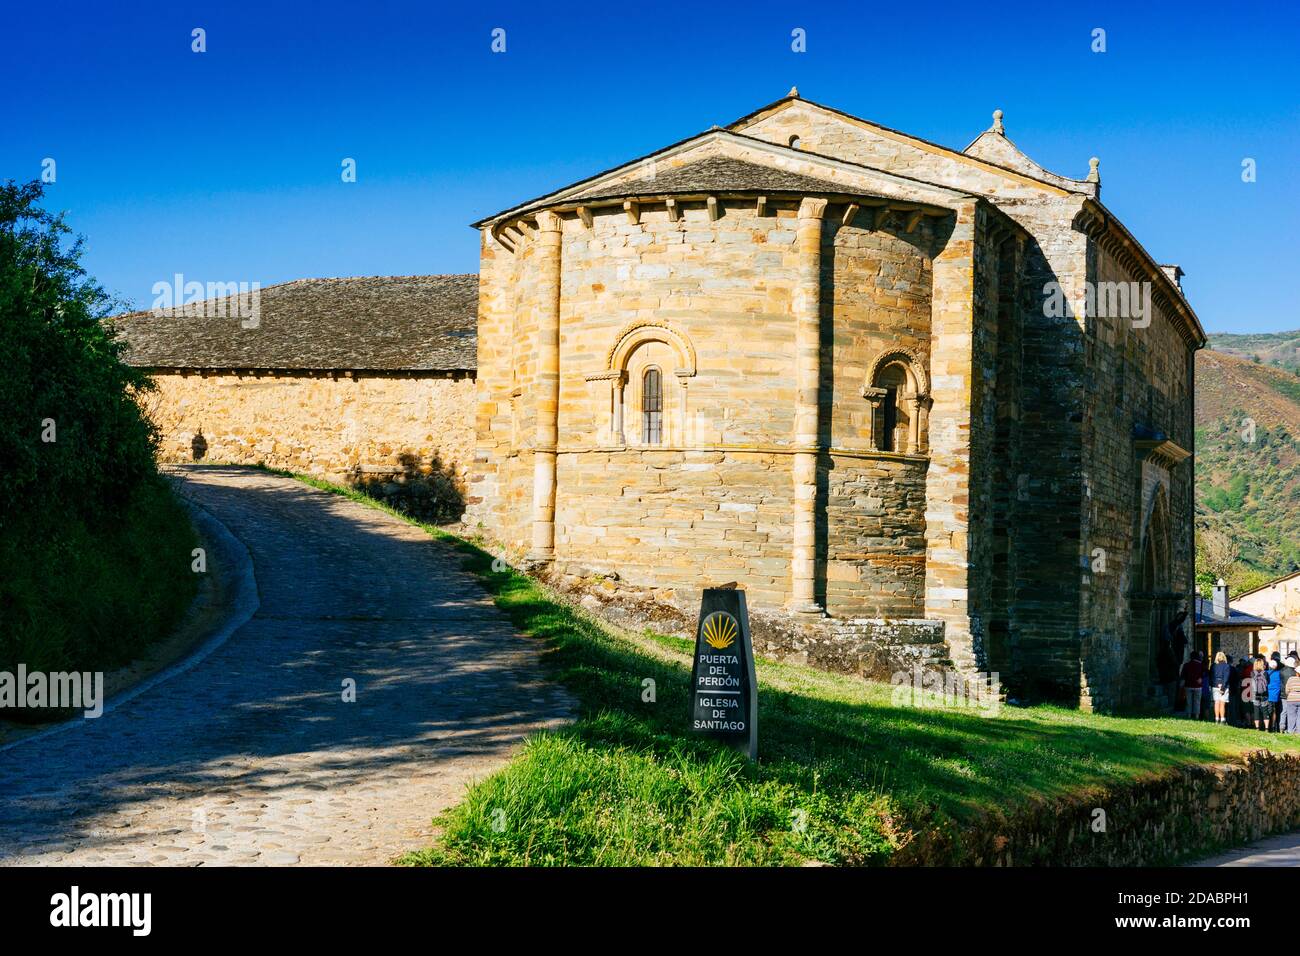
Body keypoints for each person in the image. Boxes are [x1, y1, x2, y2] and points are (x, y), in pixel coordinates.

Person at [1181, 651, 1205, 720]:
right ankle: (1196, 715)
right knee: (1197, 702)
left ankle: (1189, 715)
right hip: (1198, 686)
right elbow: (1204, 674)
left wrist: (1181, 686)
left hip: (1188, 685)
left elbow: (1183, 676)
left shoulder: (1186, 665)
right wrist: (1201, 678)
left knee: (1189, 701)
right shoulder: (1200, 665)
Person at [1210, 651, 1232, 724]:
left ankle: (1216, 718)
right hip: (1224, 686)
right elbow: (1226, 677)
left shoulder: (1213, 666)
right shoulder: (1226, 666)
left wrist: (1212, 684)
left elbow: (1211, 676)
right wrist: (1223, 686)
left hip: (1215, 685)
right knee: (1222, 703)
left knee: (1216, 702)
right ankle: (1222, 719)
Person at [1252, 655, 1271, 731]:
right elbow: (1268, 682)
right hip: (1264, 694)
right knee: (1265, 710)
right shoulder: (1265, 673)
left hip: (1255, 694)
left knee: (1256, 710)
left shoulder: (1253, 673)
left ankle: (1257, 728)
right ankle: (1266, 728)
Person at [1267, 657, 1284, 732]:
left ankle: (1269, 726)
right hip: (1277, 695)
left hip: (1268, 694)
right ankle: (1275, 726)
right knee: (1276, 711)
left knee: (1269, 711)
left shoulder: (1266, 673)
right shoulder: (1279, 673)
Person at [1285, 660, 1300, 735]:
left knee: (1291, 715)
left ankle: (1291, 731)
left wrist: (1289, 695)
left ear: (1296, 672)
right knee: (1299, 717)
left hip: (1291, 699)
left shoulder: (1291, 679)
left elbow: (1287, 690)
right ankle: (1298, 732)